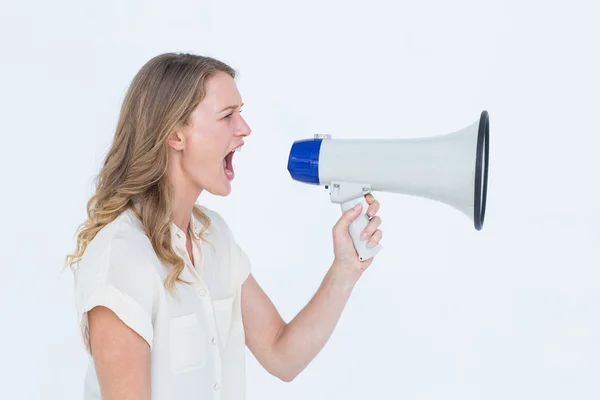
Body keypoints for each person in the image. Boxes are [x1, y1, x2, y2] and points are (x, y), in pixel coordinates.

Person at [65, 52, 383, 400]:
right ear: (176, 136)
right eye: (227, 116)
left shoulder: (213, 237)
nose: (244, 129)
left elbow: (282, 355)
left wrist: (345, 270)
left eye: (241, 113)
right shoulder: (121, 258)